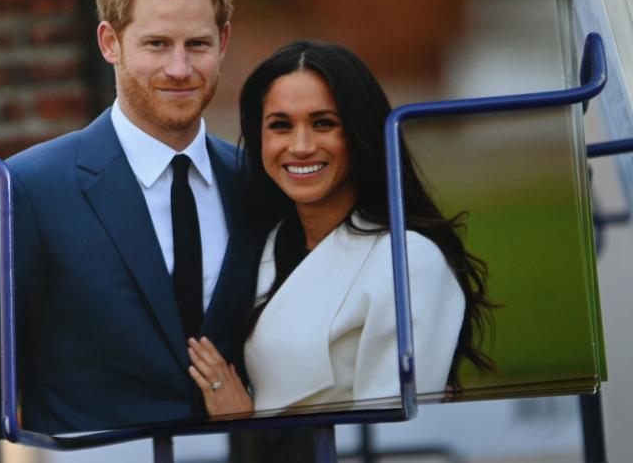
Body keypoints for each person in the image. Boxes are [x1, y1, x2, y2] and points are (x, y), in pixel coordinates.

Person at [0, 0, 264, 443]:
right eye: (156, 44)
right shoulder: (26, 189)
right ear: (109, 42)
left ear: (223, 41)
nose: (179, 69)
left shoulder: (255, 181)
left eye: (197, 44)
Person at [187, 40, 495, 417]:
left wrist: (245, 425)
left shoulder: (409, 261)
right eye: (280, 125)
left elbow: (394, 441)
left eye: (323, 123)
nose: (300, 146)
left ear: (359, 133)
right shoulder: (265, 244)